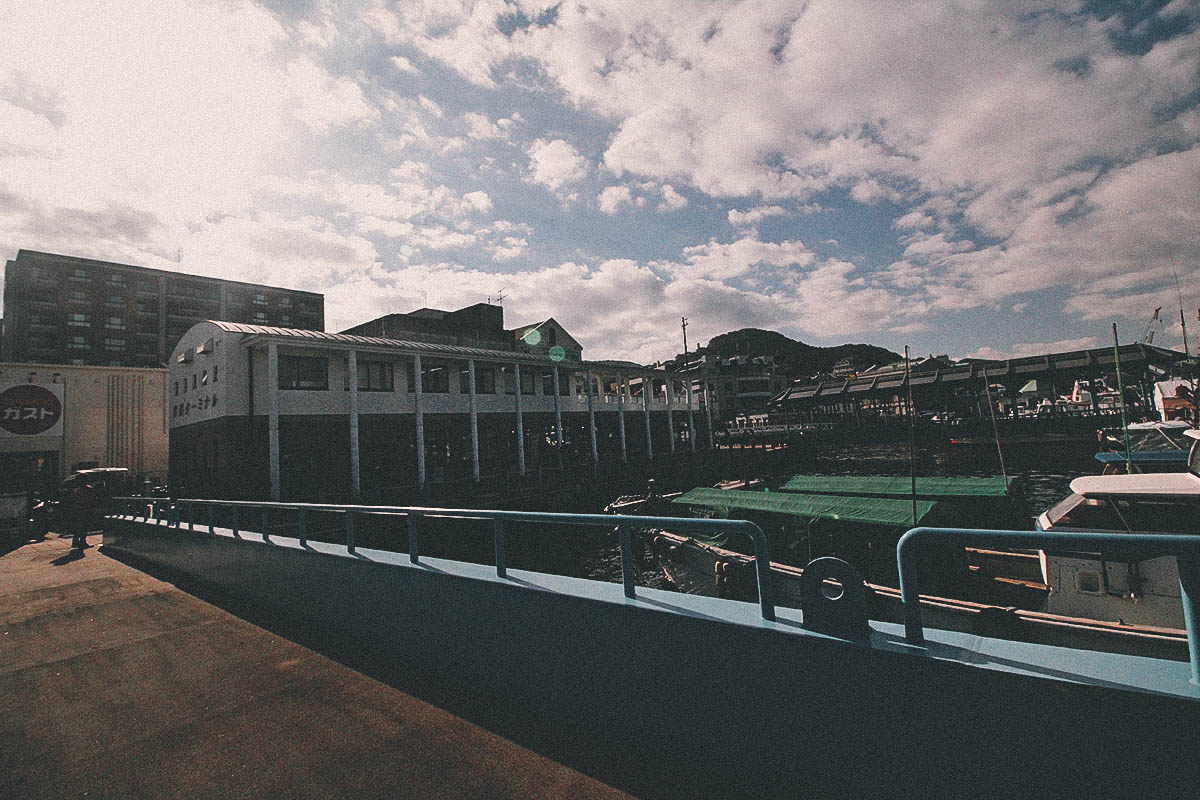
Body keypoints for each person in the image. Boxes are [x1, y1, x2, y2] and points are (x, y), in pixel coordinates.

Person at [64, 477, 100, 550]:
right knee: (85, 527)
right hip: (87, 510)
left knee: (77, 527)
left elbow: (71, 500)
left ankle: (75, 542)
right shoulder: (89, 489)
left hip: (78, 510)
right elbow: (94, 500)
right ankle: (82, 542)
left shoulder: (76, 490)